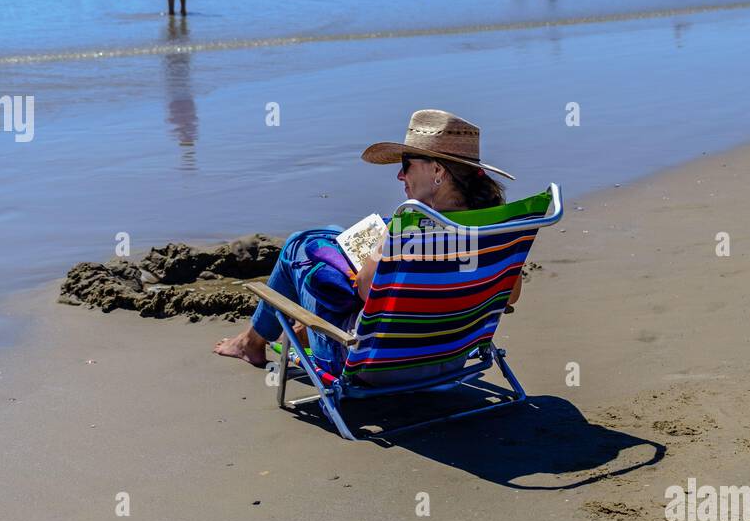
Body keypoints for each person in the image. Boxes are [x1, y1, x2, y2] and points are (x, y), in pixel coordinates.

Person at [212, 110, 520, 373]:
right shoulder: (494, 229)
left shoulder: (408, 227)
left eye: (406, 165)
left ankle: (250, 342)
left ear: (438, 171)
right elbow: (510, 295)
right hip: (448, 357)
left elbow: (365, 288)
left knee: (297, 245)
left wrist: (383, 243)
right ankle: (284, 330)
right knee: (334, 233)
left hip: (372, 363)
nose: (400, 176)